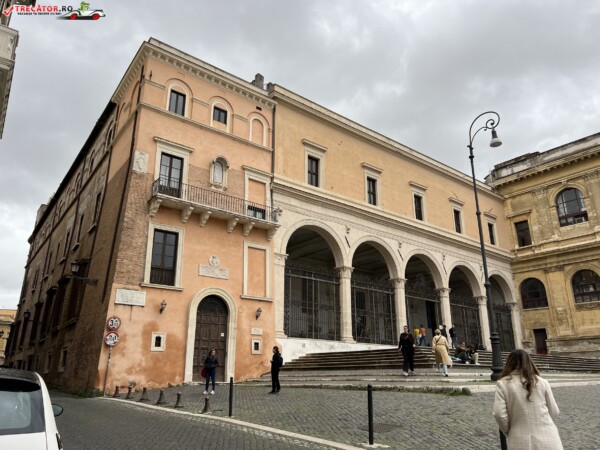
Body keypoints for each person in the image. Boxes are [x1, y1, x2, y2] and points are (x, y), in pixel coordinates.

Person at [493, 349, 563, 449]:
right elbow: (554, 411)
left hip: (519, 438)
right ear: (529, 362)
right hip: (548, 436)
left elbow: (499, 414)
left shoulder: (503, 384)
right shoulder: (542, 382)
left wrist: (509, 430)